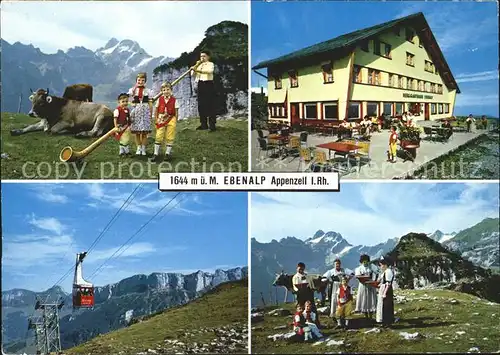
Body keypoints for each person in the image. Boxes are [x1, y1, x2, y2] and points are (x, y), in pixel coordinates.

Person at [150, 82, 180, 163]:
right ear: (161, 91)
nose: (166, 91)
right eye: (164, 90)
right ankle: (155, 153)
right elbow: (156, 109)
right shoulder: (160, 100)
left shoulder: (174, 100)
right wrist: (156, 118)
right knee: (159, 135)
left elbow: (176, 111)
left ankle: (167, 153)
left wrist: (175, 120)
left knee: (170, 135)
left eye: (168, 89)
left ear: (171, 90)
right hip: (161, 118)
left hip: (171, 118)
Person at [128, 72, 153, 156]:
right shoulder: (133, 90)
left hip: (145, 111)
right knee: (137, 132)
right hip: (137, 111)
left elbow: (150, 103)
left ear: (145, 81)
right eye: (139, 80)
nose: (140, 82)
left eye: (142, 80)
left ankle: (143, 148)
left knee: (145, 132)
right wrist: (132, 104)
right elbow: (128, 99)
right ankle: (138, 147)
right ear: (136, 80)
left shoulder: (148, 91)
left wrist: (151, 113)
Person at [191, 50, 216, 131]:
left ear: (208, 57)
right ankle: (203, 124)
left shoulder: (210, 64)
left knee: (210, 104)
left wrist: (198, 70)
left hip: (208, 84)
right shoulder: (198, 65)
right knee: (201, 105)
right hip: (200, 84)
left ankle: (212, 125)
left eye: (204, 56)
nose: (202, 58)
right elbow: (192, 74)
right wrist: (195, 67)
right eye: (201, 56)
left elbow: (210, 71)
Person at [355, 254, 378, 321]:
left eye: (366, 261)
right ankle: (366, 315)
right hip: (363, 286)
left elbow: (377, 272)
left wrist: (375, 280)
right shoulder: (359, 268)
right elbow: (357, 276)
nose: (365, 263)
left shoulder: (371, 267)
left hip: (370, 285)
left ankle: (371, 315)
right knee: (364, 299)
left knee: (370, 299)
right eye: (364, 261)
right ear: (361, 262)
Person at [375, 256, 395, 328]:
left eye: (381, 265)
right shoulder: (385, 272)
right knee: (383, 305)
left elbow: (388, 283)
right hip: (383, 288)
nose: (381, 267)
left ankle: (387, 322)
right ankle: (384, 321)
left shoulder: (388, 271)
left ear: (385, 265)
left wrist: (384, 293)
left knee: (387, 306)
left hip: (387, 290)